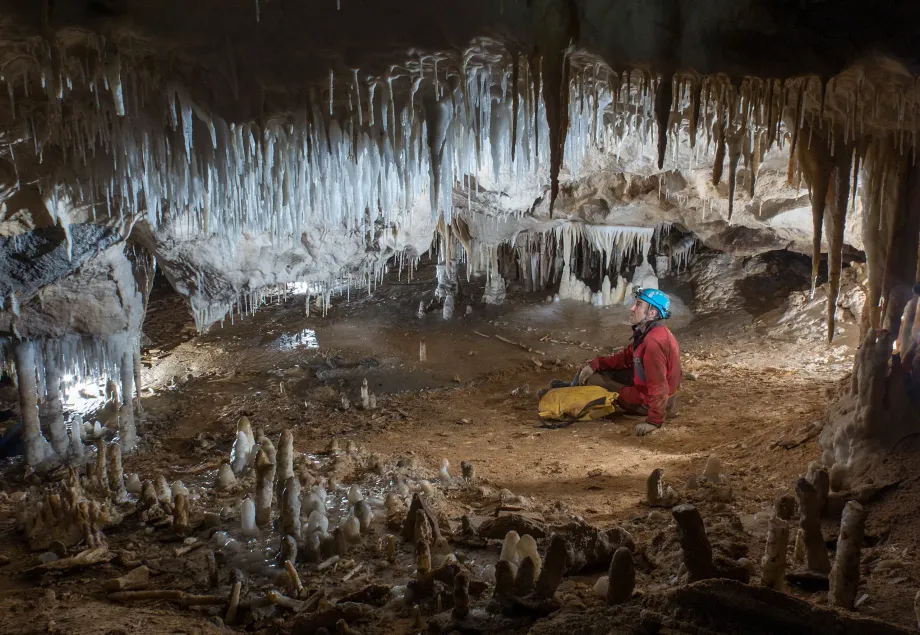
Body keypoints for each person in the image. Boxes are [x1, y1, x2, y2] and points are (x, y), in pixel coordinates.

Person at [577, 288, 682, 436]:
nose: (632, 308)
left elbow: (659, 386)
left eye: (638, 304)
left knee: (595, 380)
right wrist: (596, 364)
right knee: (598, 371)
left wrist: (653, 421)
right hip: (654, 392)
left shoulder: (654, 342)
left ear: (652, 313)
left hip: (650, 401)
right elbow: (627, 356)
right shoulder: (651, 332)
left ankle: (568, 400)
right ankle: (572, 387)